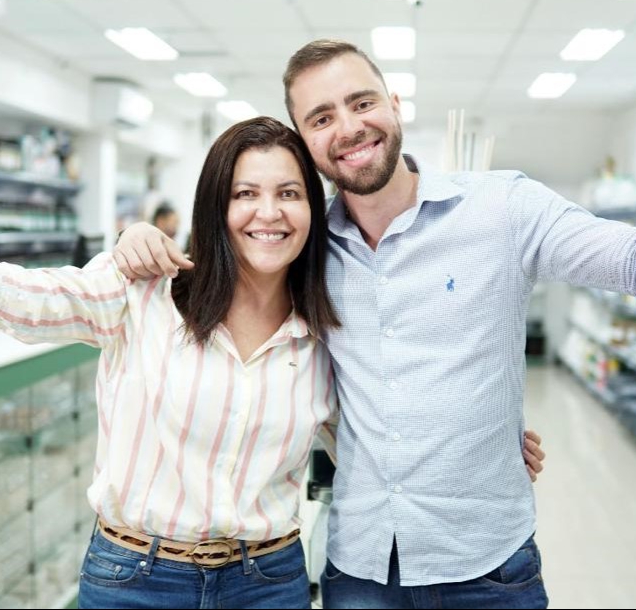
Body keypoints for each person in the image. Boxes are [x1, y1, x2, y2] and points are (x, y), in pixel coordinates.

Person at [110, 40, 569, 610]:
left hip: (476, 563)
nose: (348, 128)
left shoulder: (499, 209)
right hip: (345, 569)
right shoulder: (302, 255)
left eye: (362, 102)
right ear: (307, 143)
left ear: (394, 104)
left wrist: (478, 444)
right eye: (322, 117)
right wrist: (132, 239)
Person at [0, 117, 342, 610]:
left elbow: (367, 452)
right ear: (214, 206)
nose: (269, 213)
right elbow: (30, 300)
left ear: (313, 208)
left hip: (268, 582)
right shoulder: (144, 292)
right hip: (136, 581)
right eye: (245, 194)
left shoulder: (323, 337)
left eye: (289, 194)